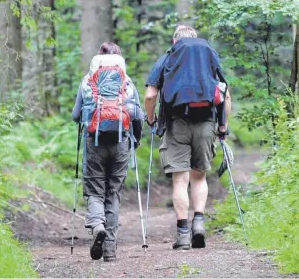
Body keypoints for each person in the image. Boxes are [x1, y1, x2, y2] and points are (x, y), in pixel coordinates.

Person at [144, 25, 231, 250]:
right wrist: (223, 127)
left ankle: (183, 234)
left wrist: (151, 120)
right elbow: (226, 95)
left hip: (176, 123)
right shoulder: (209, 57)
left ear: (175, 42)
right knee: (199, 177)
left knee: (180, 180)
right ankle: (199, 223)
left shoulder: (167, 58)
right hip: (206, 122)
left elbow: (151, 95)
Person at [72, 42, 143, 261]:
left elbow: (76, 115)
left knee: (95, 190)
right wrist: (136, 140)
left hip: (94, 142)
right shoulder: (127, 82)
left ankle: (97, 226)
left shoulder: (88, 80)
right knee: (113, 193)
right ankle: (110, 250)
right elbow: (137, 116)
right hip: (121, 142)